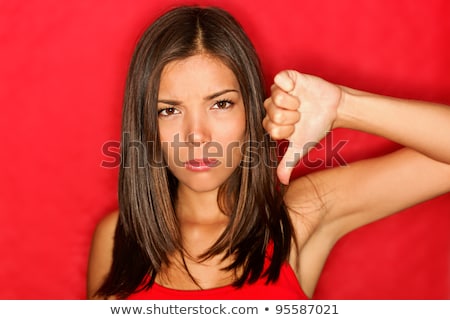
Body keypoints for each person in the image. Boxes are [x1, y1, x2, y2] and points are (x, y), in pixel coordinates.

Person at [86, 5, 450, 300]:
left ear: (252, 110)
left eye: (221, 104)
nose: (196, 136)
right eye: (169, 110)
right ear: (145, 124)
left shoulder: (298, 216)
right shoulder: (118, 236)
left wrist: (344, 106)